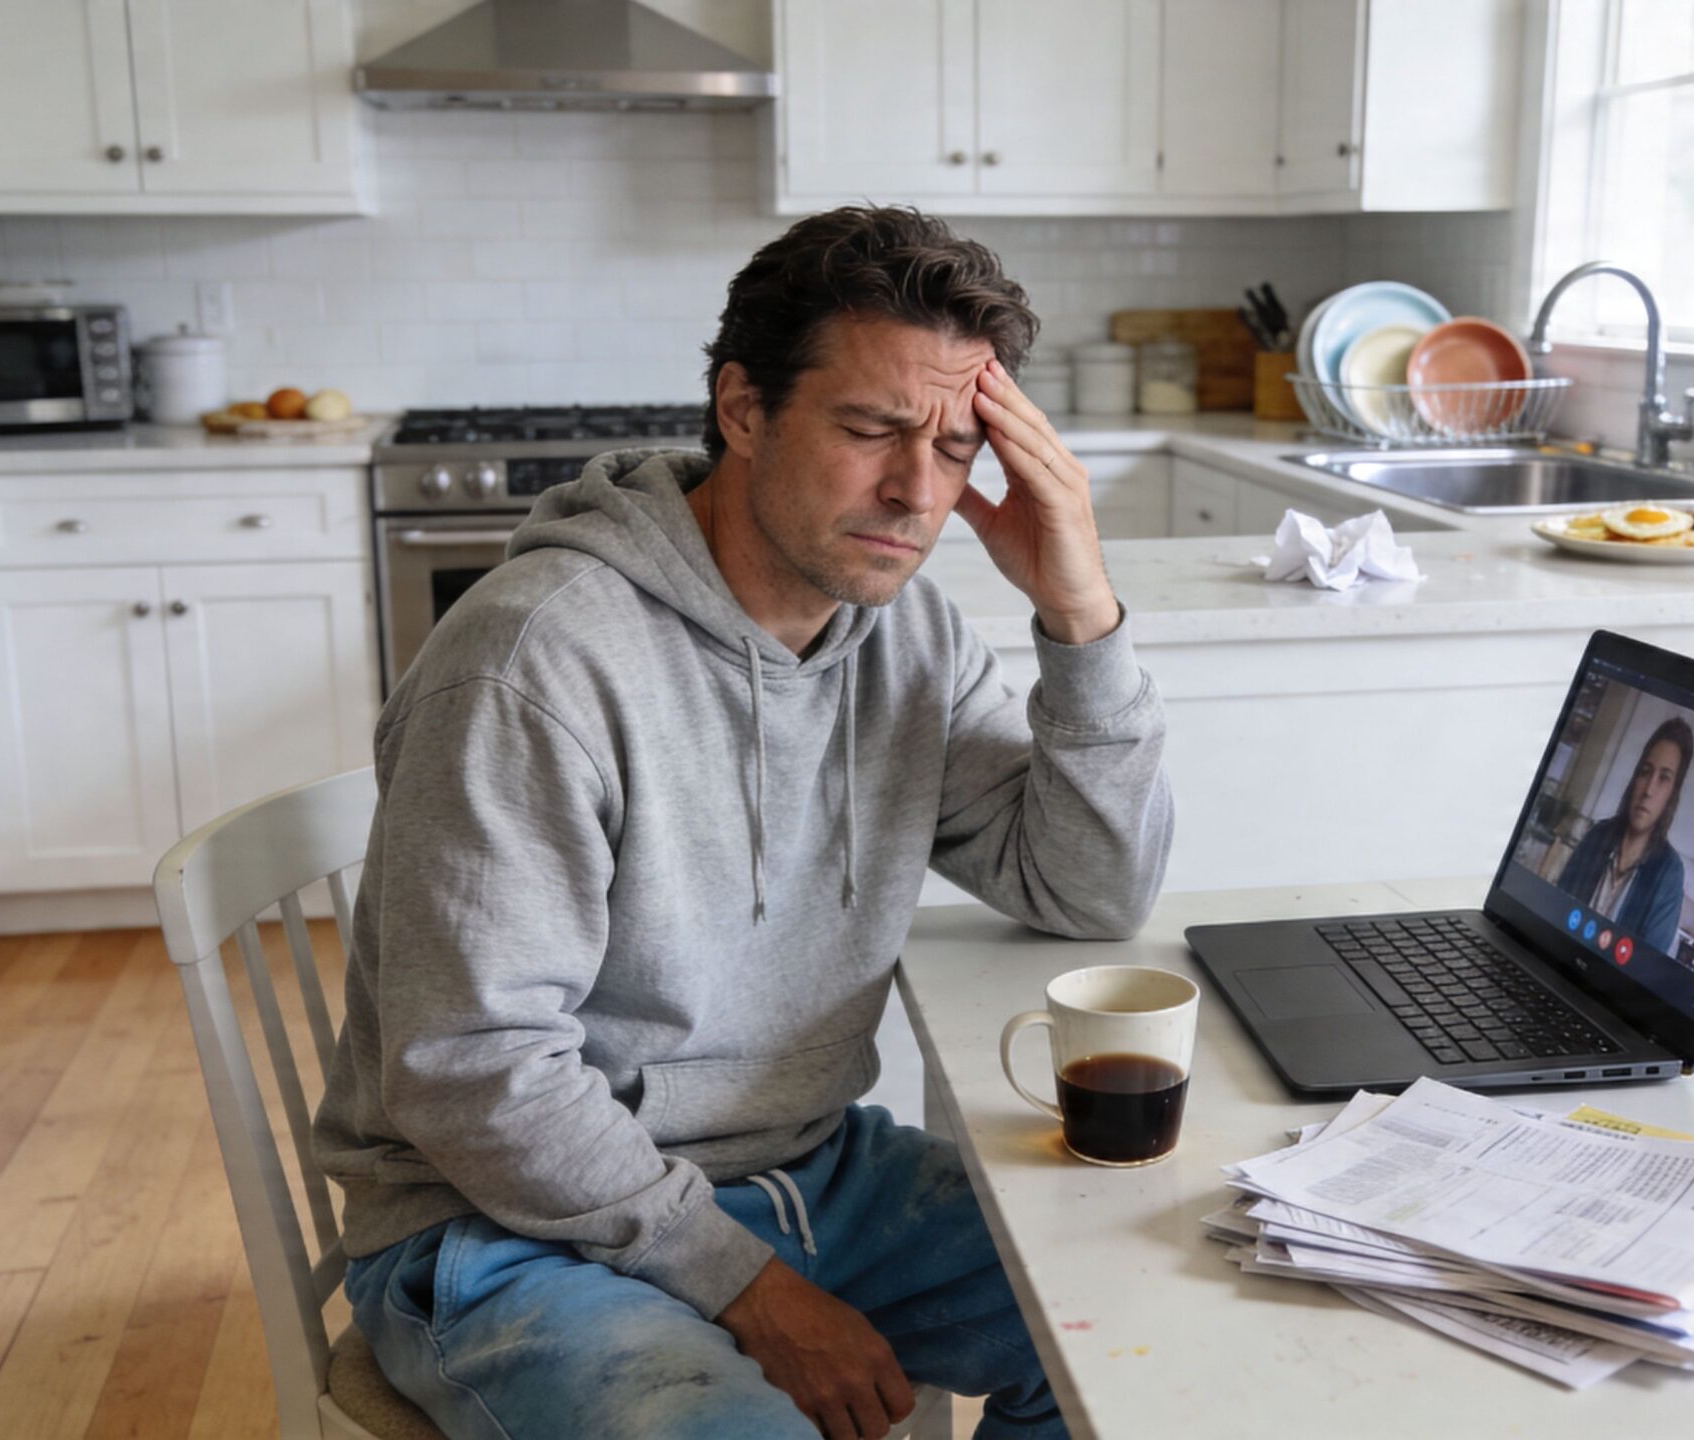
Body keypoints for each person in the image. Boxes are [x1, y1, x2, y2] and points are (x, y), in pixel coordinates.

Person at [312, 206, 1173, 1440]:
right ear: (743, 408)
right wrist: (751, 1289)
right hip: (500, 1230)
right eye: (873, 429)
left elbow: (1090, 891)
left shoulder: (906, 636)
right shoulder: (535, 661)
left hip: (807, 1171)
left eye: (956, 445)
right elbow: (474, 1072)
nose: (915, 491)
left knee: (1138, 1316)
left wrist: (1080, 617)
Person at [1551, 716, 1694, 952]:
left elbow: (1647, 967)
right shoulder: (1596, 837)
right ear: (1635, 778)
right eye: (1645, 772)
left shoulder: (1669, 873)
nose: (1649, 790)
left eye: (1664, 778)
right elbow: (1555, 910)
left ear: (1672, 793)